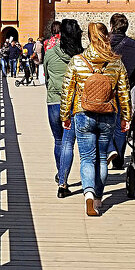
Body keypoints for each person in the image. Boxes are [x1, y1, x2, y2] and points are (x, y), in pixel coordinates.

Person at [61, 22, 132, 217]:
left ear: (89, 38)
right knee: (101, 158)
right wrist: (126, 117)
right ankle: (99, 197)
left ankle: (89, 194)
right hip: (108, 114)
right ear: (106, 37)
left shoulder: (77, 61)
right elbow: (124, 93)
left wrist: (65, 115)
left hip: (83, 113)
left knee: (86, 158)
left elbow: (67, 90)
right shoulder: (116, 62)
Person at [45, 19, 82, 198]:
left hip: (53, 101)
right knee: (68, 142)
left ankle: (61, 173)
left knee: (58, 140)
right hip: (73, 103)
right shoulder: (80, 57)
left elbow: (46, 77)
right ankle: (63, 182)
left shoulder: (50, 53)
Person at [107, 13, 135, 169]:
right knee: (120, 125)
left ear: (111, 26)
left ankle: (108, 151)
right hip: (123, 89)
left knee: (103, 123)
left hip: (103, 90)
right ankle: (119, 159)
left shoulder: (102, 44)